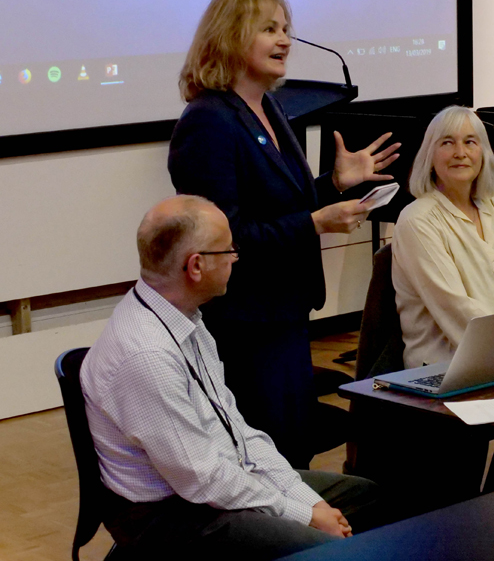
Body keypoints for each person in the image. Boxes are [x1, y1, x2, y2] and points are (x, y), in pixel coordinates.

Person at [168, 0, 399, 468]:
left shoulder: (269, 107)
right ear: (231, 35)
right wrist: (314, 223)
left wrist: (334, 184)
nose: (285, 40)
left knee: (294, 447)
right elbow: (225, 239)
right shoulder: (208, 121)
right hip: (245, 321)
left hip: (285, 311)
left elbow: (277, 204)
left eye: (286, 29)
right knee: (271, 457)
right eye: (269, 29)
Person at [81, 196, 386, 560]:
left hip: (210, 484)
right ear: (196, 266)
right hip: (169, 517)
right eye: (228, 249)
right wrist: (304, 515)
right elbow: (203, 480)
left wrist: (309, 503)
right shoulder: (147, 355)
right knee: (330, 552)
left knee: (366, 498)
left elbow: (236, 432)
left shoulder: (184, 317)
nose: (235, 257)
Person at [392, 105, 494, 368]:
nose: (460, 153)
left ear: (483, 153)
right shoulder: (417, 220)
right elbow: (456, 310)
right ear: (429, 155)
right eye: (447, 142)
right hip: (448, 368)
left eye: (470, 142)